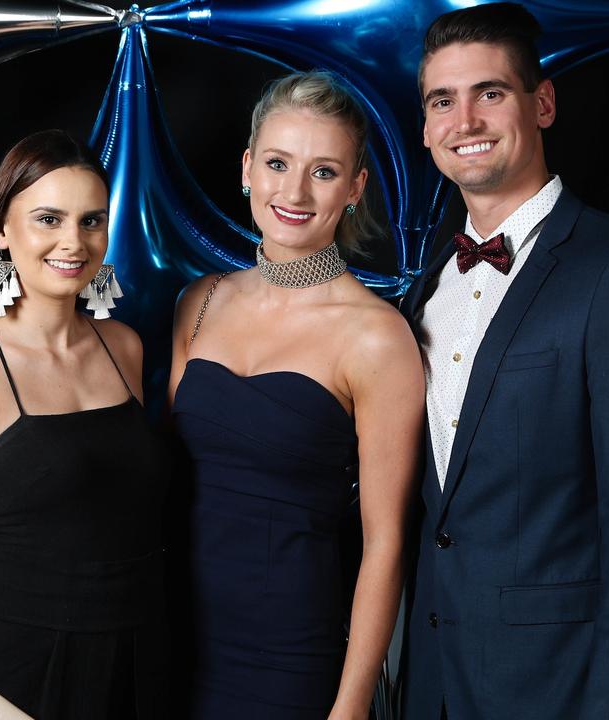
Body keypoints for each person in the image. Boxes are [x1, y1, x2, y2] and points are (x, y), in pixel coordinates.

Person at [397, 4, 609, 719]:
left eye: (491, 93)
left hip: (563, 694)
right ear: (424, 128)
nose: (465, 120)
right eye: (443, 101)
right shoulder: (429, 284)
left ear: (541, 104)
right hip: (436, 686)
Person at [168, 71, 425, 719]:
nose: (295, 191)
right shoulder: (198, 303)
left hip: (285, 657)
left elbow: (386, 541)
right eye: (279, 163)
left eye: (324, 171)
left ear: (355, 188)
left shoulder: (377, 336)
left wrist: (351, 704)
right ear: (248, 167)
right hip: (166, 638)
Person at [0, 129, 168, 720]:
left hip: (136, 660)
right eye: (49, 218)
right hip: (19, 671)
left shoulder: (123, 346)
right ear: (2, 231)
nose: (74, 241)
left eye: (91, 221)